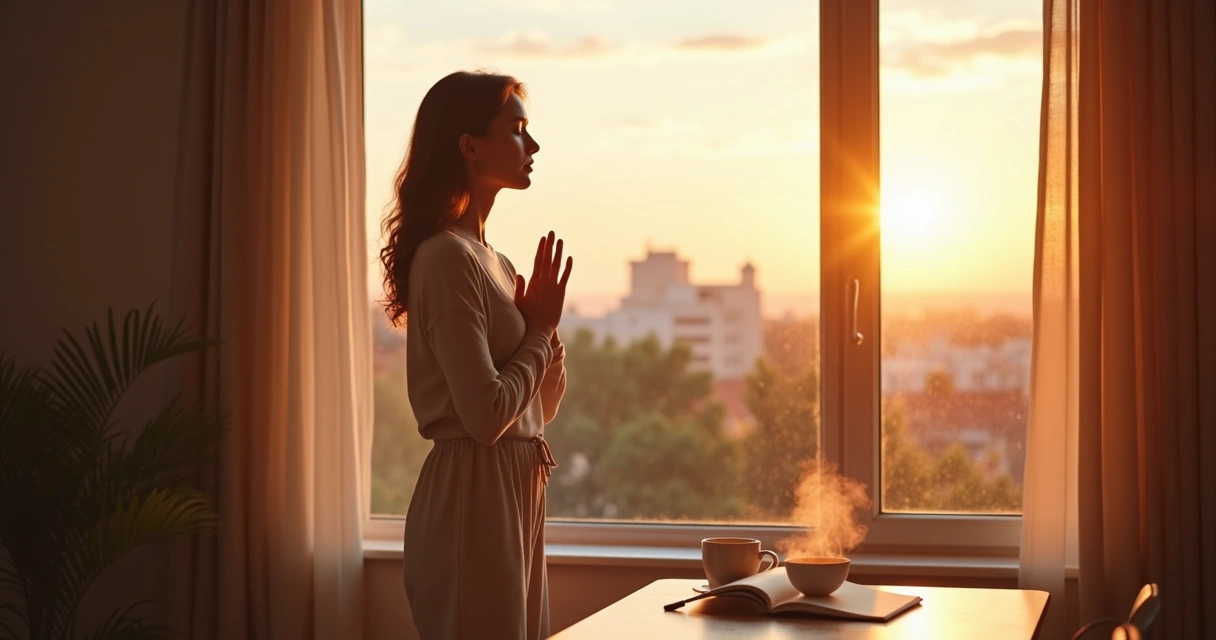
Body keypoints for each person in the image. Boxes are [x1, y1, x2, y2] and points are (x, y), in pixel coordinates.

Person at [378, 69, 573, 640]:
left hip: (516, 490)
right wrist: (538, 331)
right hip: (472, 498)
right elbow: (487, 418)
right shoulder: (445, 258)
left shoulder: (497, 262)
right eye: (516, 129)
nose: (532, 145)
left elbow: (542, 410)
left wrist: (548, 330)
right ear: (468, 145)